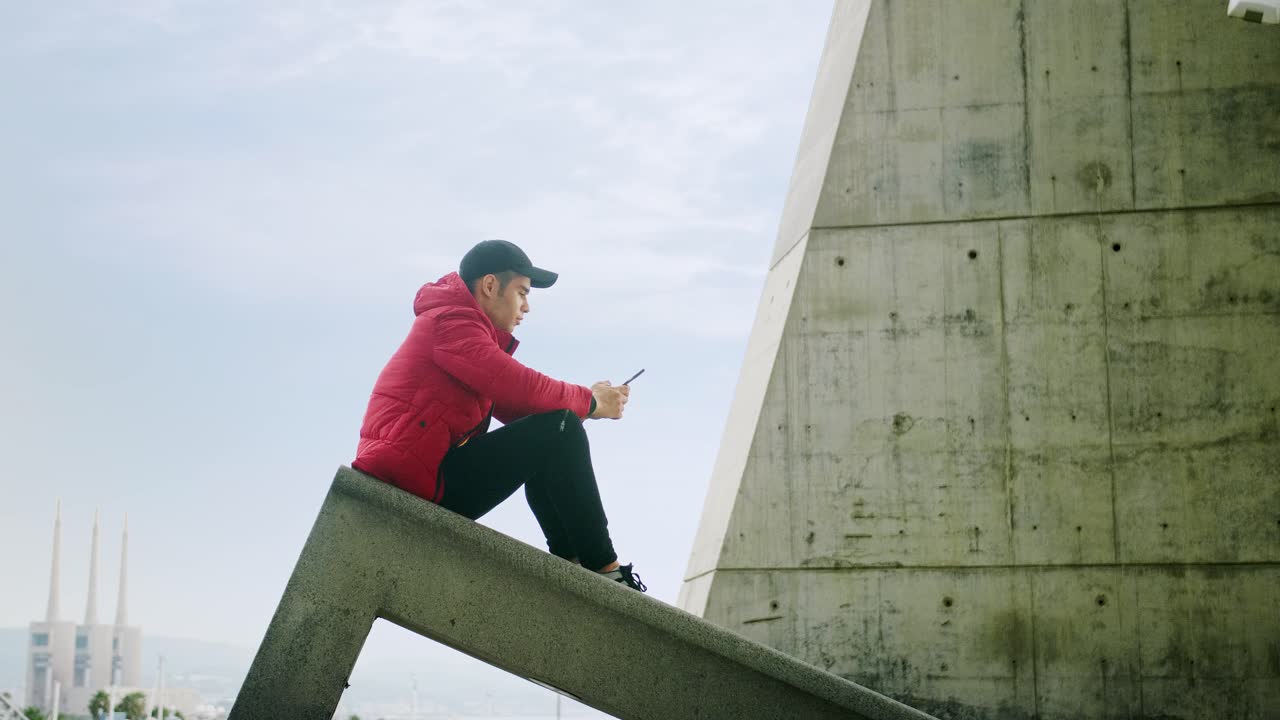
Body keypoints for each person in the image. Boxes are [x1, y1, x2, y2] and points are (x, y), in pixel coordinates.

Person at [352, 239, 646, 592]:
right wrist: (591, 401)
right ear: (490, 286)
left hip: (426, 475)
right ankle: (604, 567)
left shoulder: (461, 331)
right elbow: (519, 386)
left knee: (556, 429)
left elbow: (529, 407)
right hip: (413, 480)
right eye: (522, 293)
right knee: (560, 427)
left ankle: (574, 562)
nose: (526, 307)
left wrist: (587, 404)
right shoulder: (451, 322)